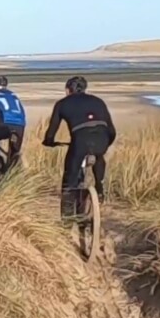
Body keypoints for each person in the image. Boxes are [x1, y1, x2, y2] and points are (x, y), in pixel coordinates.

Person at [42, 76, 116, 219]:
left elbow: (52, 130)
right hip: (103, 139)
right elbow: (111, 130)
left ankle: (67, 218)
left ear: (67, 89)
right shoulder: (98, 101)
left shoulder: (62, 104)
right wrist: (106, 144)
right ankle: (100, 188)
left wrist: (49, 141)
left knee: (70, 175)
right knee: (99, 156)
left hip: (80, 141)